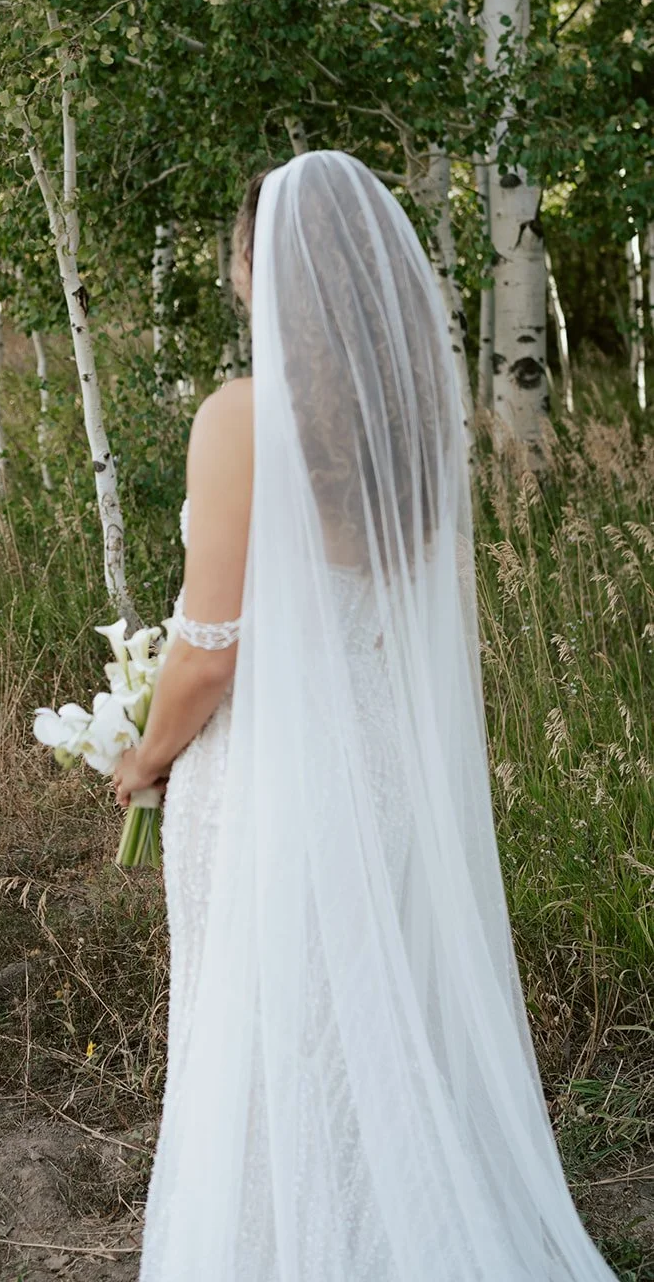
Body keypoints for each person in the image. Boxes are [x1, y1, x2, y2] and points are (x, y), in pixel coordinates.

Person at [113, 152, 616, 1279]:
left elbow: (205, 653)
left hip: (270, 776)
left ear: (260, 264)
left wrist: (143, 753)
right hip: (380, 763)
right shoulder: (410, 417)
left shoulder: (240, 415)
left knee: (258, 1033)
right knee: (361, 1032)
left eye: (238, 253)